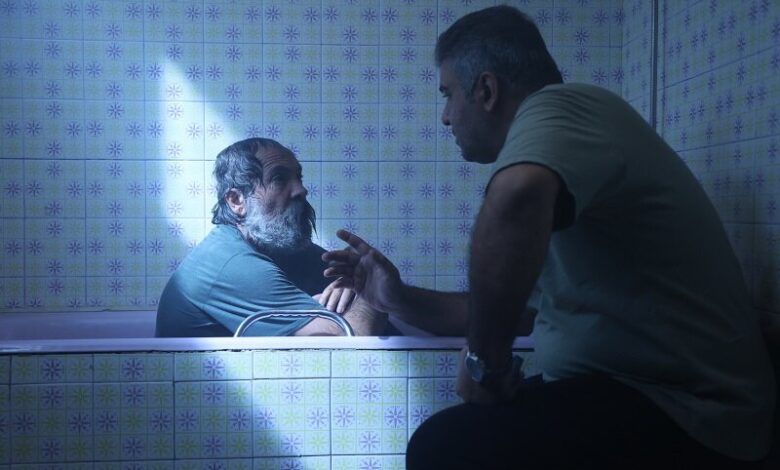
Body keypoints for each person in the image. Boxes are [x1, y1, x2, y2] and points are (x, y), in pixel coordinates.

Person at [323, 5, 775, 469]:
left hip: (696, 414)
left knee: (442, 447)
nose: (445, 117)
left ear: (486, 90)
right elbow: (519, 314)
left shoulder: (560, 107)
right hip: (644, 397)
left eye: (448, 94)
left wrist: (485, 363)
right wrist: (397, 298)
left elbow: (515, 198)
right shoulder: (567, 157)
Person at [155, 137, 387, 337]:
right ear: (236, 200)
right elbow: (355, 342)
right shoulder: (233, 264)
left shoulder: (282, 249)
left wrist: (357, 275)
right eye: (279, 179)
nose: (301, 190)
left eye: (298, 177)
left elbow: (379, 298)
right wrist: (369, 287)